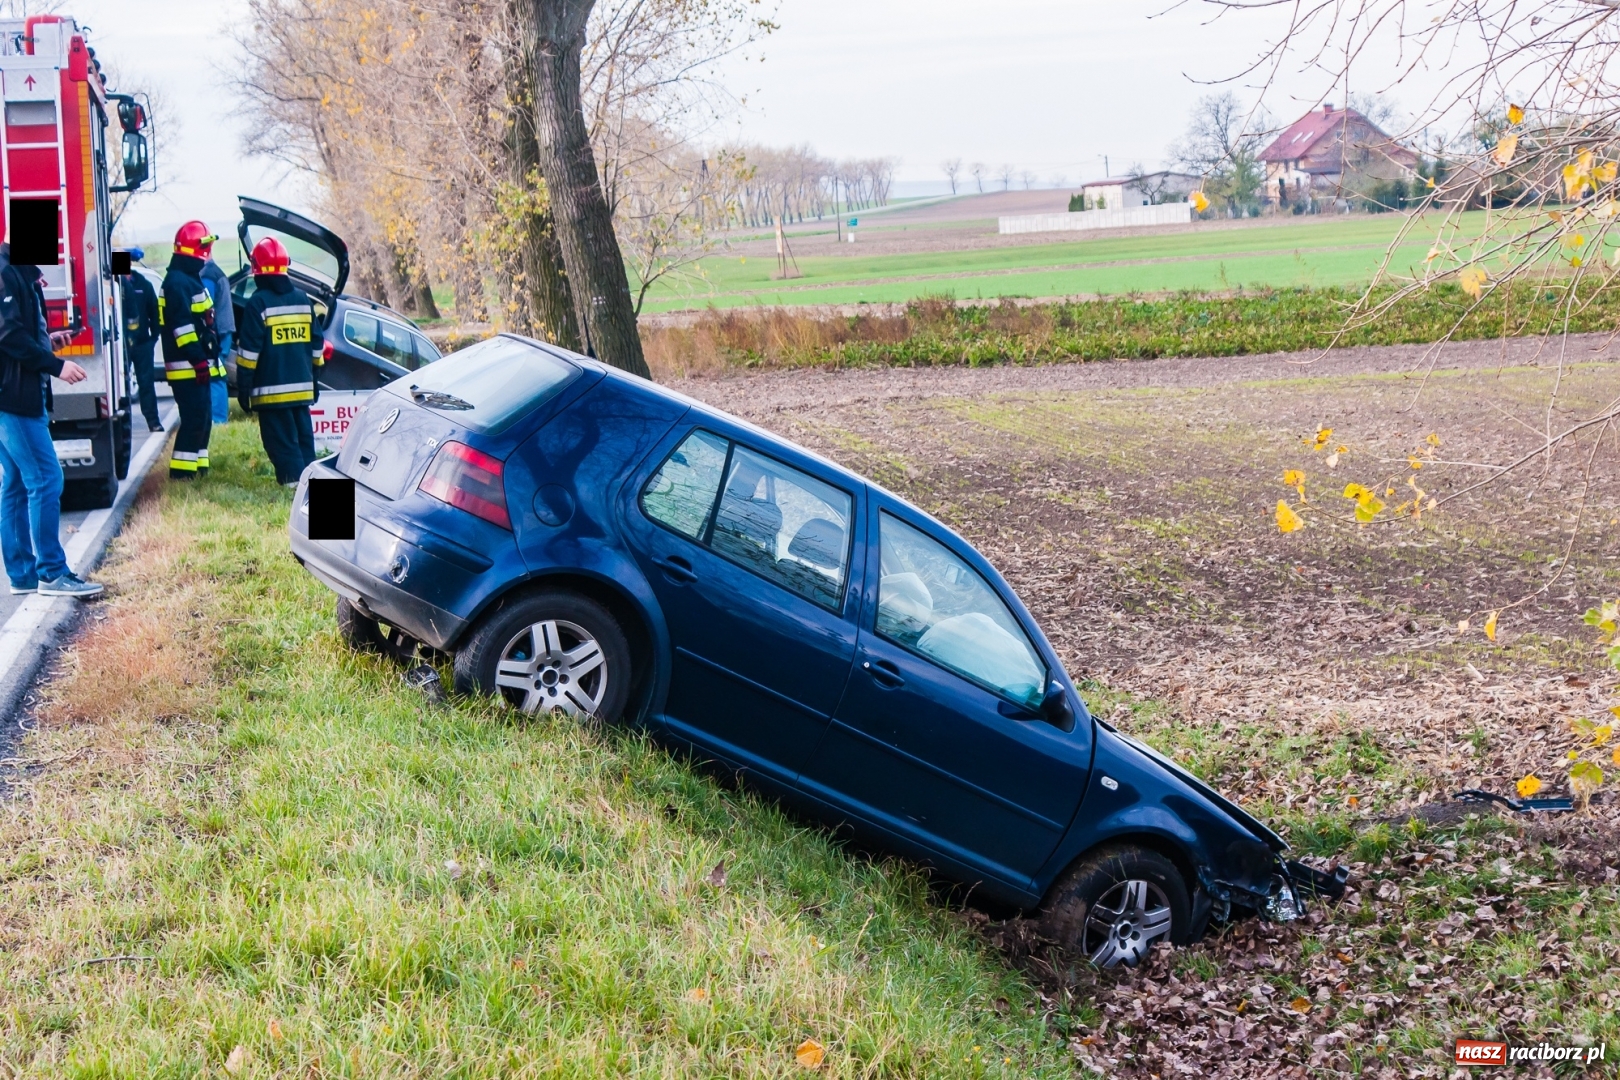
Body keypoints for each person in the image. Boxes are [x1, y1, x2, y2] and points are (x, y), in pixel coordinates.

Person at [0, 236, 103, 597]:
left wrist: (49, 341)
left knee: (14, 483)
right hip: (14, 399)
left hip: (14, 395)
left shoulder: (20, 273)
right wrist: (56, 366)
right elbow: (8, 335)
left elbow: (17, 335)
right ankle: (51, 574)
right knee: (46, 478)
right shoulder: (6, 272)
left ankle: (24, 575)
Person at [237, 237, 322, 486]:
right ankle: (313, 490)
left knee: (282, 446)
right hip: (302, 391)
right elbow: (317, 346)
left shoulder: (258, 303)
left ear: (257, 270)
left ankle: (293, 494)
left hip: (271, 395)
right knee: (305, 444)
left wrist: (244, 389)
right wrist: (314, 380)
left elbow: (248, 355)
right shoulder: (303, 299)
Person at [159, 221, 220, 479]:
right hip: (188, 368)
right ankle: (182, 477)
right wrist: (198, 361)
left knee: (203, 421)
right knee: (194, 420)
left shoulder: (189, 279)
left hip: (197, 366)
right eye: (205, 247)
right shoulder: (177, 283)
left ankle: (198, 471)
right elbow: (182, 327)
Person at [120, 248, 161, 431]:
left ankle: (153, 421)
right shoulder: (112, 286)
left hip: (143, 344)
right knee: (121, 386)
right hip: (120, 347)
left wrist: (154, 337)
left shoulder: (143, 284)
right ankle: (123, 424)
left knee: (146, 383)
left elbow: (154, 311)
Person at [201, 252, 234, 424]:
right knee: (217, 374)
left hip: (216, 335)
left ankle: (218, 420)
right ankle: (218, 419)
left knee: (215, 376)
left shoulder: (207, 276)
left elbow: (205, 308)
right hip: (223, 332)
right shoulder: (215, 272)